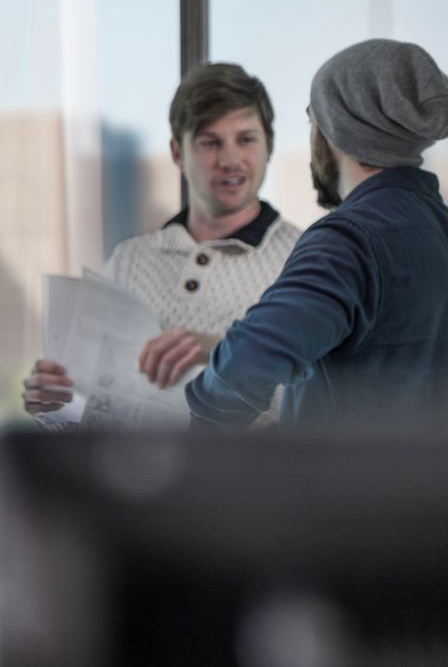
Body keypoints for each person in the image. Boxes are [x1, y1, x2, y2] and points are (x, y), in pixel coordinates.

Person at [188, 39, 448, 427]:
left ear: (340, 132)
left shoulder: (350, 241)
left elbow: (241, 371)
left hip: (338, 486)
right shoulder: (436, 227)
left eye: (313, 118)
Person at [24, 62, 302, 417]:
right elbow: (89, 399)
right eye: (210, 142)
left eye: (246, 139)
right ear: (177, 153)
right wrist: (55, 401)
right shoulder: (130, 258)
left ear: (269, 146)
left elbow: (315, 402)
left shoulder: (303, 258)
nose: (230, 159)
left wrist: (224, 355)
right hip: (133, 470)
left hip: (245, 472)